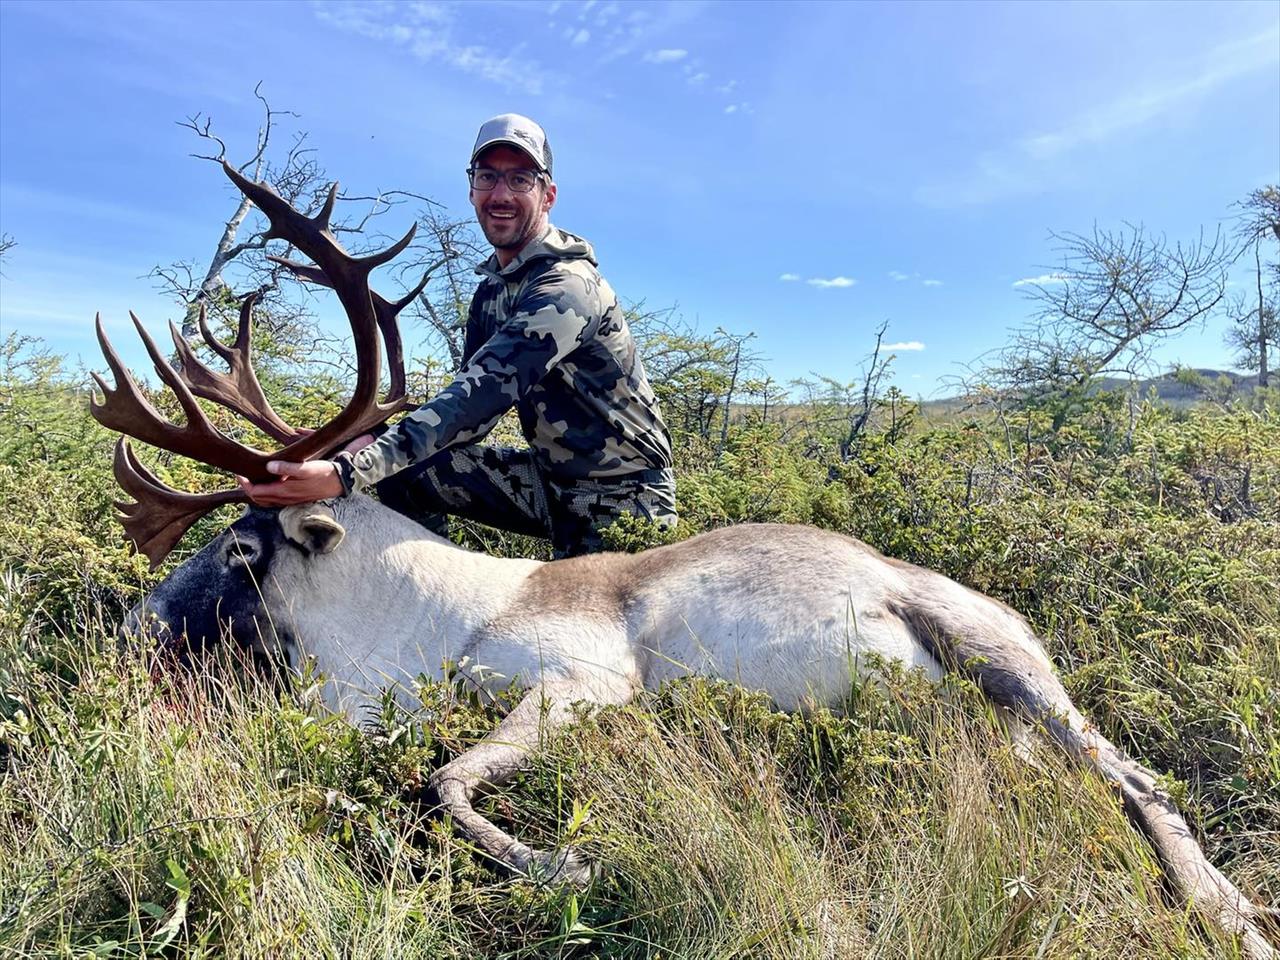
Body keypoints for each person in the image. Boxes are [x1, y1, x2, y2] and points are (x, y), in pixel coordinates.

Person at [240, 113, 676, 557]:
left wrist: (346, 473)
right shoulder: (491, 292)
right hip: (548, 483)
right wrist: (361, 442)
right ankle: (431, 595)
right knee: (402, 471)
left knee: (581, 622)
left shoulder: (568, 288)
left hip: (625, 500)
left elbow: (477, 398)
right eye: (488, 177)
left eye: (521, 179)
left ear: (548, 196)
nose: (501, 194)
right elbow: (467, 426)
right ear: (471, 189)